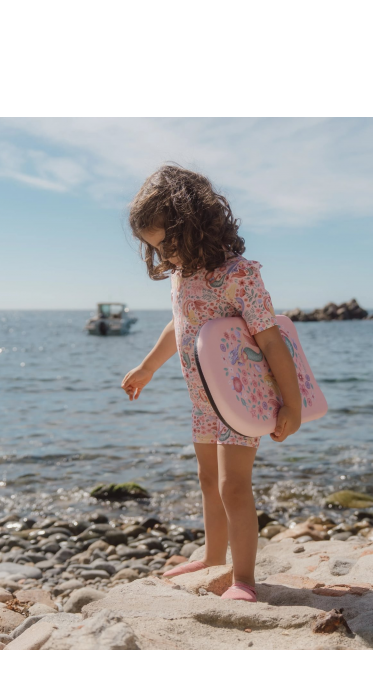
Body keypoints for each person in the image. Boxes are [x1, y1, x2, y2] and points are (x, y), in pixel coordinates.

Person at [121, 165, 301, 602]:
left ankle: (244, 579)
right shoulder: (182, 275)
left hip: (239, 399)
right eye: (155, 249)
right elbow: (178, 325)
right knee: (207, 479)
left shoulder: (239, 274)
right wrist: (147, 367)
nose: (164, 256)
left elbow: (271, 341)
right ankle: (213, 557)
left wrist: (292, 405)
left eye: (167, 244)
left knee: (233, 485)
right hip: (204, 401)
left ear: (194, 225)